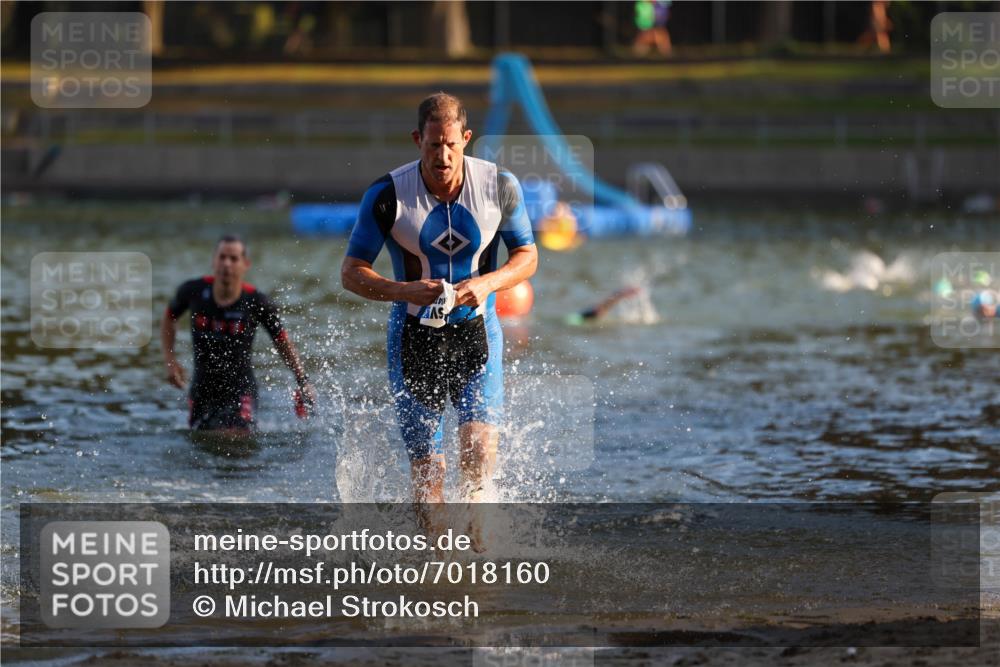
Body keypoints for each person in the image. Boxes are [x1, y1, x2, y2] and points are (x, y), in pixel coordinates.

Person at [341, 92, 538, 511]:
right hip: (414, 337)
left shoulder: (499, 186)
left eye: (451, 144)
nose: (443, 156)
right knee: (431, 473)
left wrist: (488, 284)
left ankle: (479, 552)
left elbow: (527, 257)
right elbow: (351, 272)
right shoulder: (388, 194)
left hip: (477, 330)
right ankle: (438, 570)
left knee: (478, 450)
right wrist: (402, 290)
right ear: (418, 140)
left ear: (466, 138)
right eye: (434, 145)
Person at [161, 235, 315, 433]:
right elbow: (168, 318)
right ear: (213, 261)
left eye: (233, 259)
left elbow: (282, 341)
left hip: (241, 389)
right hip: (202, 387)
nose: (226, 264)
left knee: (235, 440)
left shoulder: (257, 301)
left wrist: (302, 381)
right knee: (202, 441)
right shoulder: (193, 292)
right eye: (222, 257)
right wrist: (170, 360)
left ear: (245, 264)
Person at [565, 286, 645, 326]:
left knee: (606, 304)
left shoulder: (599, 310)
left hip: (587, 314)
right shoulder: (599, 310)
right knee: (606, 304)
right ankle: (627, 291)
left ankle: (627, 291)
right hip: (587, 314)